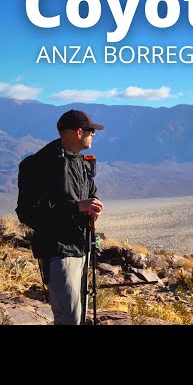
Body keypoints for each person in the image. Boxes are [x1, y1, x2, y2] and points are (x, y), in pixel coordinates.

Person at [15, 109, 105, 325]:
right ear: (79, 132)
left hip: (82, 246)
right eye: (92, 131)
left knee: (79, 316)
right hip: (58, 251)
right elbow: (27, 212)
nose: (94, 135)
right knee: (69, 319)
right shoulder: (41, 164)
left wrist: (92, 207)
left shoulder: (81, 163)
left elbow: (88, 195)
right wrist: (76, 207)